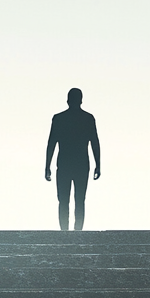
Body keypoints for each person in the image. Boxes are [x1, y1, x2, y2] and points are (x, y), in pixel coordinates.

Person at [44, 88, 101, 231]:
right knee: (79, 200)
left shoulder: (59, 118)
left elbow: (51, 143)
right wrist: (98, 164)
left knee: (63, 200)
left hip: (64, 164)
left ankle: (65, 231)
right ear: (81, 100)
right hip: (81, 164)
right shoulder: (88, 118)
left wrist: (47, 166)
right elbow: (95, 142)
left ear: (68, 100)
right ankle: (77, 231)